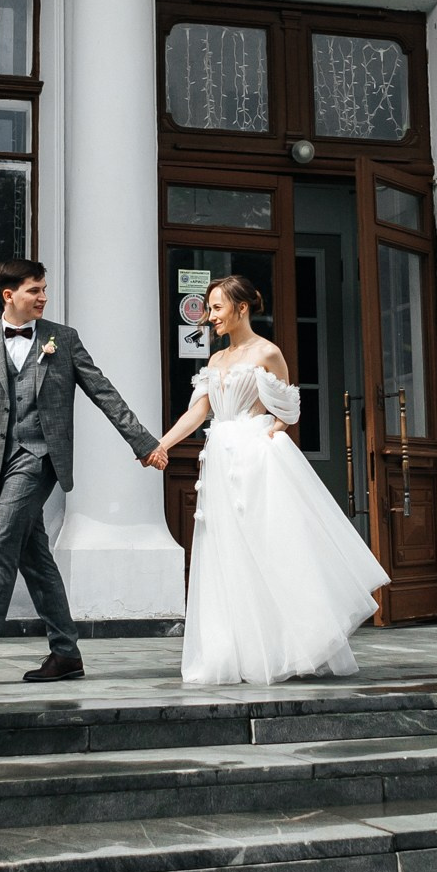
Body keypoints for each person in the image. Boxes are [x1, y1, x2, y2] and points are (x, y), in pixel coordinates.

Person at [0, 259, 167, 686]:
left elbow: (104, 392)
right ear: (9, 295)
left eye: (44, 290)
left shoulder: (63, 339)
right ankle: (66, 653)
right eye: (35, 290)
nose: (44, 297)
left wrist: (144, 442)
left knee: (1, 548)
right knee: (35, 560)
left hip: (39, 459)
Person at [150, 275, 389, 686]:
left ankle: (284, 648)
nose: (210, 318)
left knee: (268, 547)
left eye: (217, 308)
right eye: (209, 309)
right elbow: (199, 412)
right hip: (221, 459)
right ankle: (233, 651)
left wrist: (271, 429)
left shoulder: (268, 352)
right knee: (226, 551)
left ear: (242, 309)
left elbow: (289, 408)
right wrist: (162, 445)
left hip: (256, 459)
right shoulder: (216, 360)